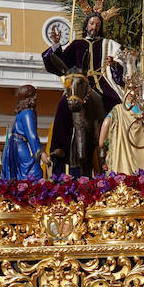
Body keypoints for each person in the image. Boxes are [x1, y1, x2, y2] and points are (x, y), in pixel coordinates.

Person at [41, 12, 123, 177]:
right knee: (64, 104)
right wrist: (56, 45)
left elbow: (120, 68)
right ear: (86, 25)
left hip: (102, 82)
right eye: (92, 24)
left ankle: (113, 147)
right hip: (80, 83)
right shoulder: (77, 44)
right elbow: (62, 63)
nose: (94, 27)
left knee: (117, 106)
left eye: (97, 25)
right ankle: (60, 148)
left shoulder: (107, 44)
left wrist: (113, 64)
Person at [2, 84, 44, 180]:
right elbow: (32, 135)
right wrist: (41, 153)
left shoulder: (21, 113)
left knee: (17, 176)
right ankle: (29, 193)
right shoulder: (28, 113)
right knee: (35, 173)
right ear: (30, 98)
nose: (36, 97)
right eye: (34, 95)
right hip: (19, 146)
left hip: (13, 146)